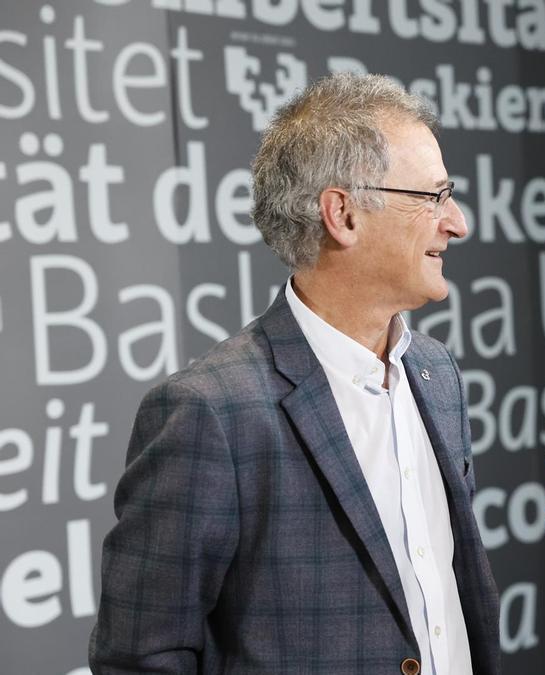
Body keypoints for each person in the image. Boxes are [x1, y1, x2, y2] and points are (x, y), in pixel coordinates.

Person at [90, 73, 500, 675]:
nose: (457, 222)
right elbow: (139, 657)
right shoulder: (212, 412)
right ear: (343, 214)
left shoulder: (436, 375)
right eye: (432, 197)